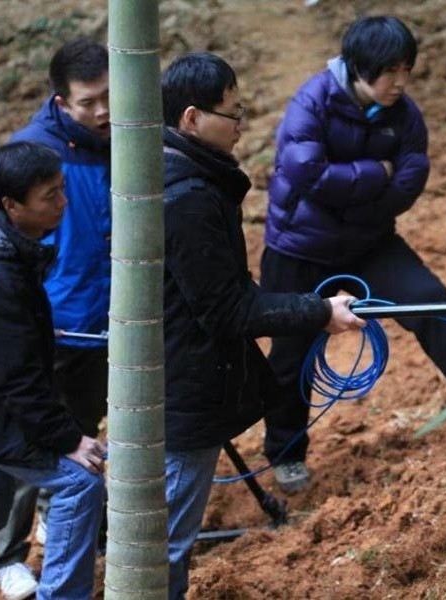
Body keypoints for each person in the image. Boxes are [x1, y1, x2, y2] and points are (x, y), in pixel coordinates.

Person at [260, 15, 446, 494]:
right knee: (290, 351)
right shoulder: (312, 101)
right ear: (359, 69)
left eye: (407, 69)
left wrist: (356, 188)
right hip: (300, 246)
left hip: (370, 242)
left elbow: (408, 182)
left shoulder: (404, 114)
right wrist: (374, 172)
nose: (400, 82)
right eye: (390, 72)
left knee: (436, 306)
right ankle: (285, 453)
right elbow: (308, 177)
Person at [159, 51, 365, 599]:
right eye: (232, 112)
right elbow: (229, 310)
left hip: (179, 382)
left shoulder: (180, 176)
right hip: (182, 391)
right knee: (166, 545)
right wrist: (320, 313)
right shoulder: (187, 199)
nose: (241, 122)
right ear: (190, 119)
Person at [0, 141, 107, 599]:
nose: (63, 202)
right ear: (11, 204)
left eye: (62, 188)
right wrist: (68, 438)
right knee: (78, 484)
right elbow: (14, 373)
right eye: (49, 196)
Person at [0, 38, 111, 598]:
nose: (103, 111)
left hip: (107, 318)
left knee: (83, 432)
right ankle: (7, 554)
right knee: (30, 441)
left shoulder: (125, 138)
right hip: (54, 321)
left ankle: (76, 528)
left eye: (111, 97)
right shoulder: (34, 155)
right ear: (61, 100)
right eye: (89, 102)